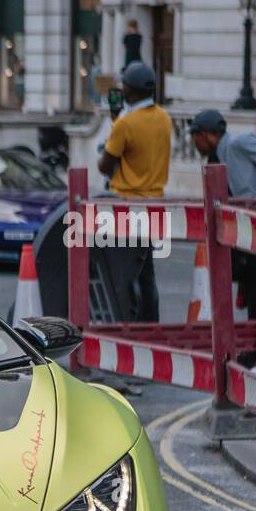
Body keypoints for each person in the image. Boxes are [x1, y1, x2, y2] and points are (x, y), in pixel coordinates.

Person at [190, 108, 256, 331]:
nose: (194, 143)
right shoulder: (215, 158)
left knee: (255, 278)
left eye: (195, 137)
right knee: (237, 271)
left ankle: (255, 341)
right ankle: (249, 333)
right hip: (247, 228)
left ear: (206, 134)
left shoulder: (238, 143)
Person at [97, 61, 171, 322]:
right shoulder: (164, 118)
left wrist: (115, 125)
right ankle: (151, 322)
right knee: (146, 268)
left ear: (130, 89)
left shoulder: (125, 124)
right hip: (155, 202)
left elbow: (105, 165)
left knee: (124, 272)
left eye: (124, 85)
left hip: (127, 203)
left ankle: (129, 323)